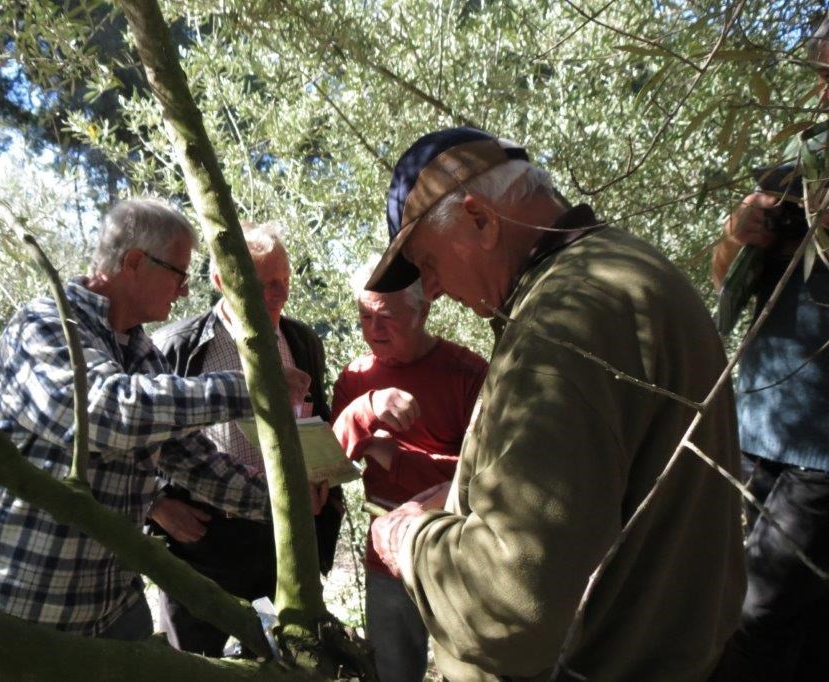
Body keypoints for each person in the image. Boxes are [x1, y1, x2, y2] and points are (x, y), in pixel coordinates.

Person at [364, 127, 745, 681]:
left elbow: (509, 609)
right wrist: (473, 495)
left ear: (480, 220)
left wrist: (408, 540)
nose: (433, 289)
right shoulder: (628, 266)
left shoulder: (558, 329)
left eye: (427, 263)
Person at [0, 199, 315, 641]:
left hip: (112, 607)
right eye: (179, 274)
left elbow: (190, 457)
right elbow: (109, 413)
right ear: (134, 262)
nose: (184, 291)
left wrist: (282, 501)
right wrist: (252, 389)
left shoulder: (139, 351)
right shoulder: (46, 326)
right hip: (25, 605)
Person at [150, 222, 341, 656]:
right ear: (221, 281)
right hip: (204, 539)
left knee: (281, 657)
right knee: (195, 663)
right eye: (265, 283)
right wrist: (157, 505)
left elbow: (317, 423)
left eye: (285, 281)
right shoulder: (175, 347)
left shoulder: (301, 341)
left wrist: (321, 483)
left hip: (284, 538)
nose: (279, 293)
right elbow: (138, 443)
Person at [711, 18, 829, 681]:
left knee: (756, 619)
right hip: (754, 427)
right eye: (823, 77)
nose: (825, 95)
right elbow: (724, 278)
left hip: (820, 451)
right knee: (762, 613)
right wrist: (740, 229)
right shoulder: (800, 162)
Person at [331, 257, 487, 682]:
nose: (373, 331)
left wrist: (396, 458)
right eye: (364, 316)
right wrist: (364, 411)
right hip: (384, 558)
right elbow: (328, 461)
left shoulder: (467, 374)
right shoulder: (355, 378)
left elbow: (488, 476)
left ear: (422, 311)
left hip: (457, 553)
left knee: (472, 673)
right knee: (392, 673)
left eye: (386, 318)